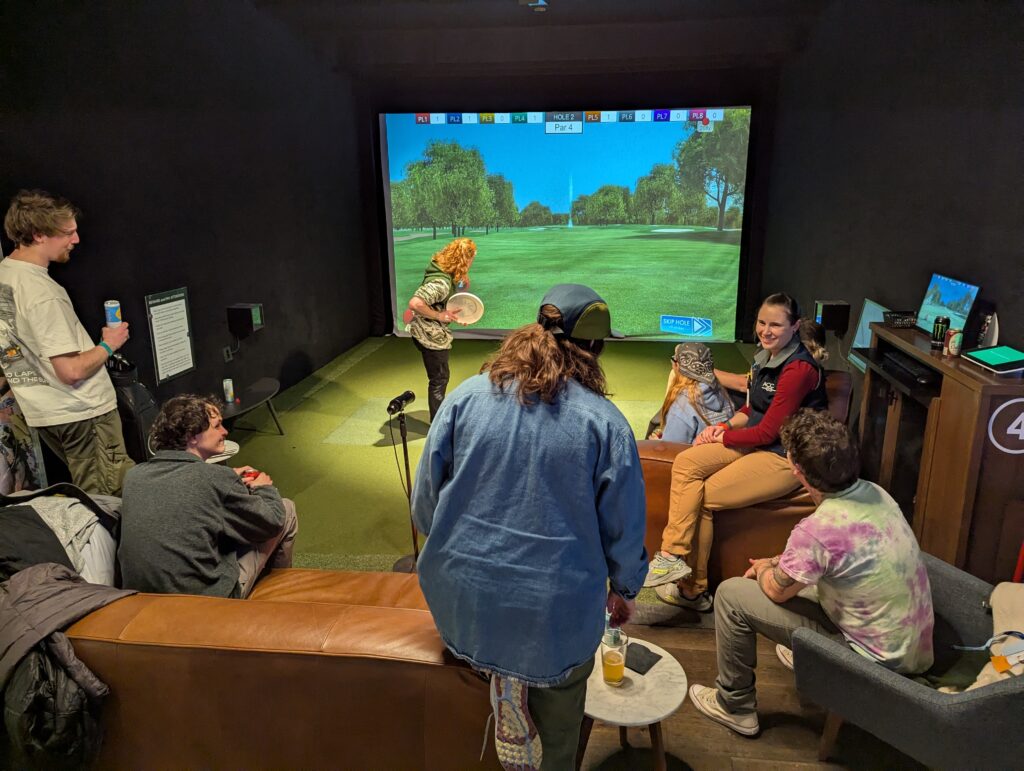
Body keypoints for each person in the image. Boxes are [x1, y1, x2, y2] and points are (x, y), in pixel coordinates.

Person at [411, 284, 647, 771]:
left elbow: (425, 509)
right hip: (554, 628)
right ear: (596, 349)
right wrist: (624, 589)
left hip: (462, 612)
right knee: (558, 740)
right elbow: (624, 532)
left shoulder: (466, 396)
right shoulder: (606, 423)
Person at [688, 409, 934, 736]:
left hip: (874, 665)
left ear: (797, 468)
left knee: (731, 595)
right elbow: (824, 557)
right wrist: (779, 563)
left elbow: (777, 590)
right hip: (913, 651)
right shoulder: (877, 493)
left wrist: (764, 568)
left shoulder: (817, 531)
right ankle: (807, 659)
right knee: (802, 582)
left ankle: (734, 705)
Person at [645, 293, 829, 611]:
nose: (766, 330)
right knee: (687, 462)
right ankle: (672, 557)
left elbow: (770, 432)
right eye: (761, 322)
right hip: (755, 445)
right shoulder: (766, 356)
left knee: (701, 496)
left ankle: (693, 590)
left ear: (795, 326)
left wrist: (726, 437)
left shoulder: (799, 369)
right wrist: (724, 427)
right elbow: (750, 407)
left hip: (783, 457)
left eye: (776, 324)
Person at [0, 190, 133, 495]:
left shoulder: (5, 276)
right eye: (67, 233)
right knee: (110, 501)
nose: (76, 240)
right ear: (38, 235)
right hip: (82, 413)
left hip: (46, 415)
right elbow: (70, 370)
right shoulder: (43, 293)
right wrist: (109, 344)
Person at [118, 394, 298, 598]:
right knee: (286, 509)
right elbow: (273, 520)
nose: (225, 431)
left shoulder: (134, 475)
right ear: (192, 436)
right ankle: (281, 598)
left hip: (141, 599)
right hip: (204, 602)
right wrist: (264, 487)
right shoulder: (215, 478)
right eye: (217, 426)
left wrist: (228, 480)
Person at [406, 237, 477, 420]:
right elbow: (415, 303)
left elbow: (443, 301)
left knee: (441, 376)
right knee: (439, 378)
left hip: (429, 330)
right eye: (471, 259)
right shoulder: (442, 283)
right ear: (464, 260)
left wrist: (454, 315)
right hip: (428, 334)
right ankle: (437, 424)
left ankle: (438, 418)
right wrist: (439, 316)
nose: (472, 263)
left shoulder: (442, 268)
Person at [648, 342, 735, 445]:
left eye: (674, 359)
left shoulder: (682, 406)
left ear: (678, 366)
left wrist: (658, 443)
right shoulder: (720, 391)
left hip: (695, 458)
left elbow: (672, 447)